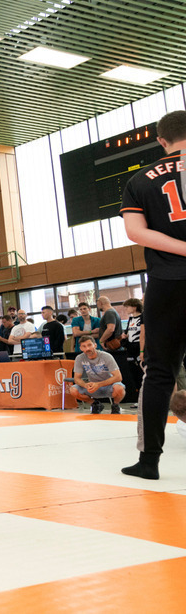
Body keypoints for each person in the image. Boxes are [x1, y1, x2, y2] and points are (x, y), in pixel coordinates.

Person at [119, 110, 186, 479]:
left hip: (168, 281)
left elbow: (137, 233)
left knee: (159, 372)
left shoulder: (140, 180)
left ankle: (149, 462)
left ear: (162, 141)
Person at [70, 337, 124, 415]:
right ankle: (95, 404)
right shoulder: (79, 358)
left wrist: (99, 384)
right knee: (73, 390)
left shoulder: (106, 356)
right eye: (84, 346)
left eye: (89, 345)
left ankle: (115, 405)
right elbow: (77, 378)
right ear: (81, 348)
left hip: (108, 385)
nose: (87, 348)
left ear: (95, 345)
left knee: (119, 388)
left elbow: (118, 377)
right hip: (93, 386)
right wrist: (85, 385)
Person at [122, 298, 144, 403]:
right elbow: (128, 332)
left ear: (134, 307)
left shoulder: (142, 318)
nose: (126, 309)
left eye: (127, 307)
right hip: (130, 348)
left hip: (139, 347)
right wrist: (124, 336)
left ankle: (144, 397)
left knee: (141, 372)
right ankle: (138, 398)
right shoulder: (130, 319)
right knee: (133, 373)